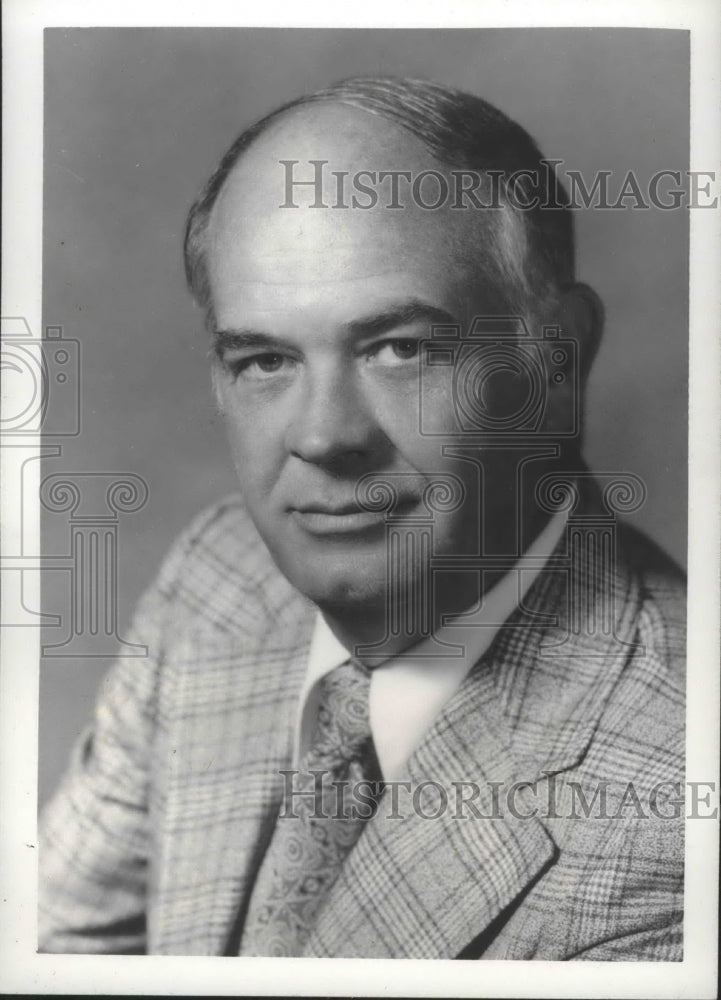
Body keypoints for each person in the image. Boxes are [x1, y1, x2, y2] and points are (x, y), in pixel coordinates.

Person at [38, 77, 685, 960]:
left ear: (555, 362)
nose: (322, 435)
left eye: (398, 348)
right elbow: (47, 950)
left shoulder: (673, 808)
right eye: (264, 359)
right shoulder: (218, 579)